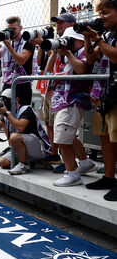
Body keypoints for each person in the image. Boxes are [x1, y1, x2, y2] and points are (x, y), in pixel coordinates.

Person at [45, 27, 97, 186]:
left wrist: (67, 53)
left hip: (73, 99)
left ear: (80, 41)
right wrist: (55, 51)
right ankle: (85, 163)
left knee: (62, 139)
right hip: (63, 99)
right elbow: (48, 70)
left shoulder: (82, 52)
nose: (67, 43)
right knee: (67, 135)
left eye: (70, 40)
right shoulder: (67, 55)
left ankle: (72, 174)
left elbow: (82, 69)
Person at [82, 0, 117, 200]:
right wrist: (89, 37)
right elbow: (91, 57)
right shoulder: (108, 35)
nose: (101, 17)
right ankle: (109, 176)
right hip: (102, 94)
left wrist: (97, 39)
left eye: (106, 12)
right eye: (100, 13)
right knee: (105, 138)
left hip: (115, 94)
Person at [0, 16, 37, 156]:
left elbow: (22, 60)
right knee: (5, 115)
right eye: (9, 29)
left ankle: (21, 147)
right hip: (7, 83)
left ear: (20, 28)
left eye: (14, 29)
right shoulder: (6, 43)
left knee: (19, 118)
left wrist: (9, 46)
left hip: (22, 84)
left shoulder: (28, 42)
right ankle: (10, 146)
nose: (11, 32)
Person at [0, 89, 50, 174]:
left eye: (7, 100)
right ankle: (35, 163)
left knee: (15, 136)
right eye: (3, 100)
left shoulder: (26, 109)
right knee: (2, 162)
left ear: (16, 99)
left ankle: (24, 165)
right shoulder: (7, 114)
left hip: (40, 147)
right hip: (25, 148)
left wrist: (6, 113)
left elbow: (21, 127)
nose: (5, 102)